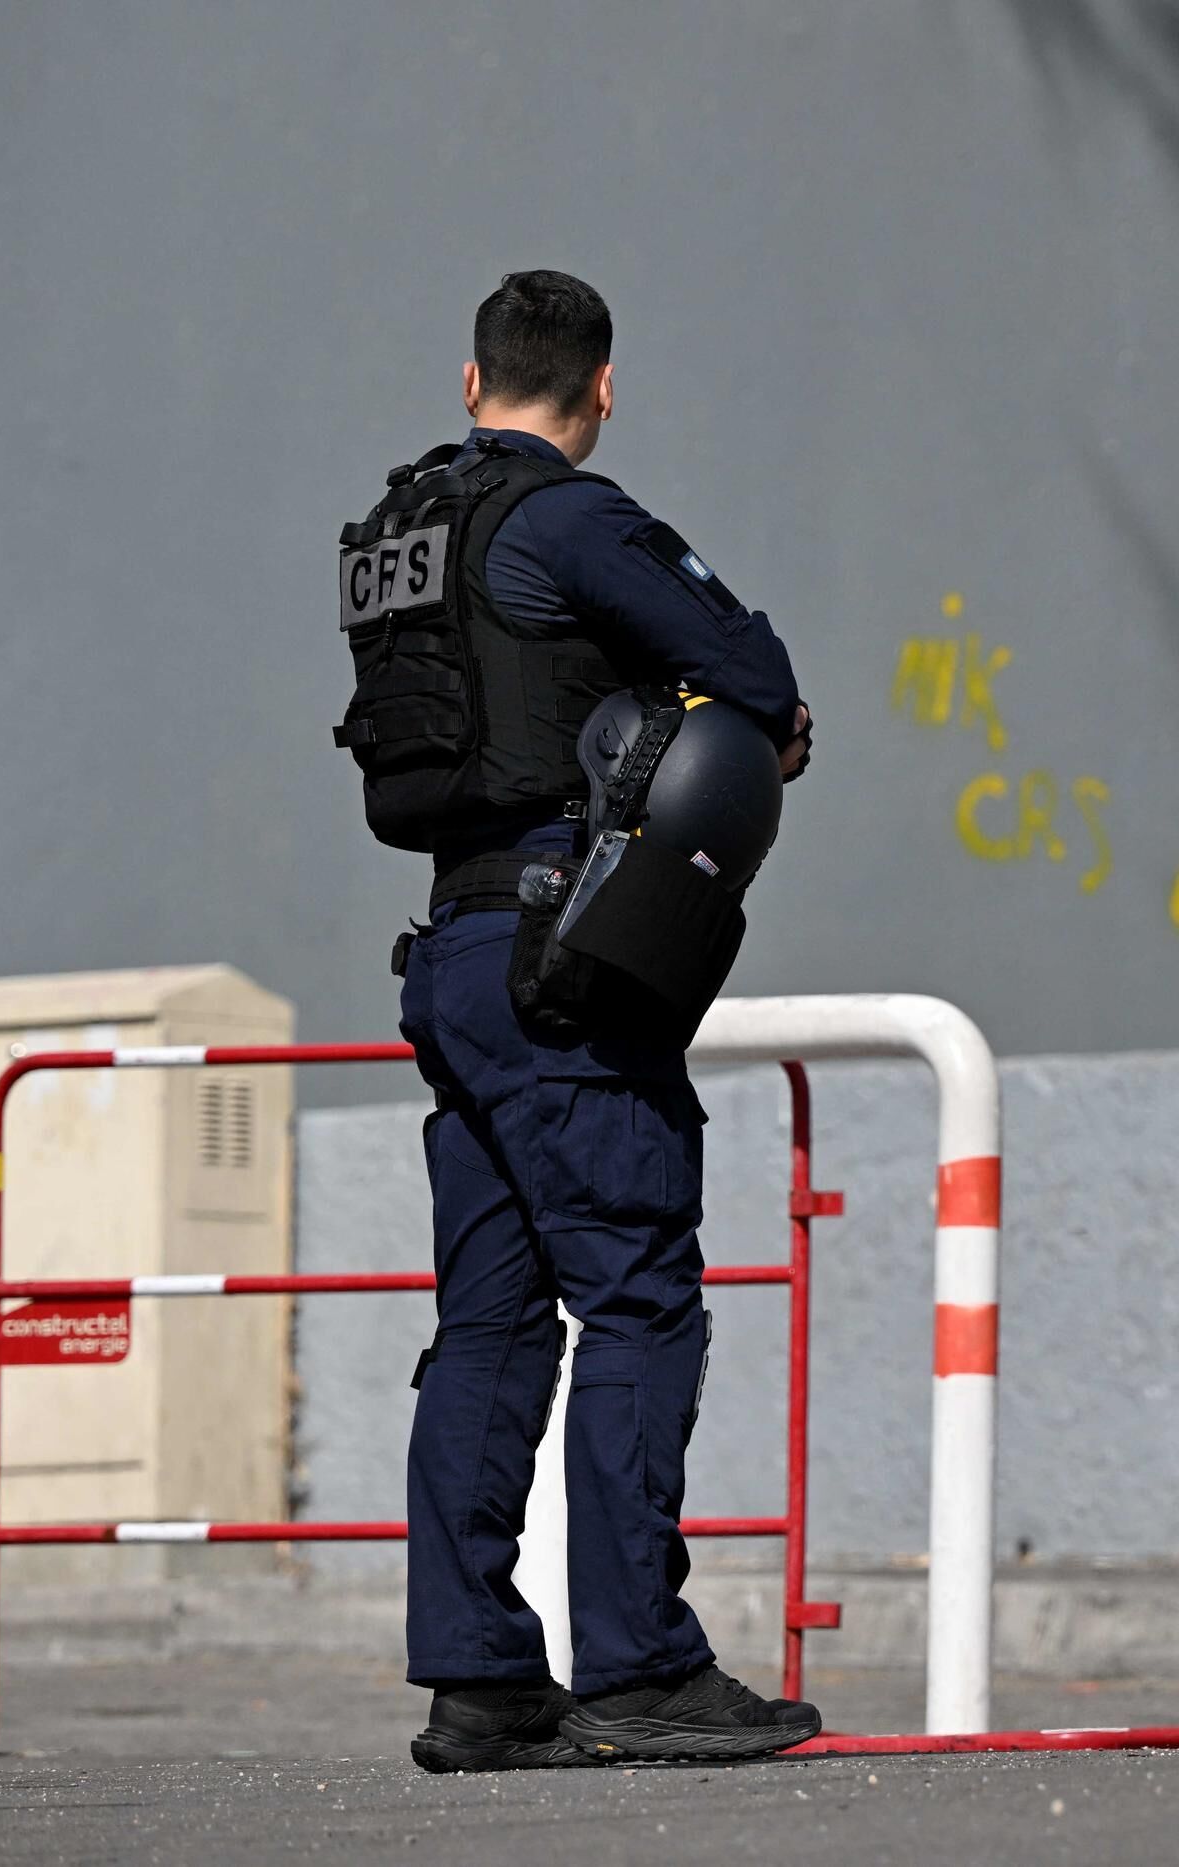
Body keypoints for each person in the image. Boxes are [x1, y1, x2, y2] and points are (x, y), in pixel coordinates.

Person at [339, 271, 819, 1771]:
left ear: (471, 379)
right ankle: (638, 1664)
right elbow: (756, 675)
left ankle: (480, 1676)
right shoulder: (571, 519)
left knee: (488, 1313)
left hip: (452, 954)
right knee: (638, 1292)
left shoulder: (397, 536)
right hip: (564, 955)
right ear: (602, 391)